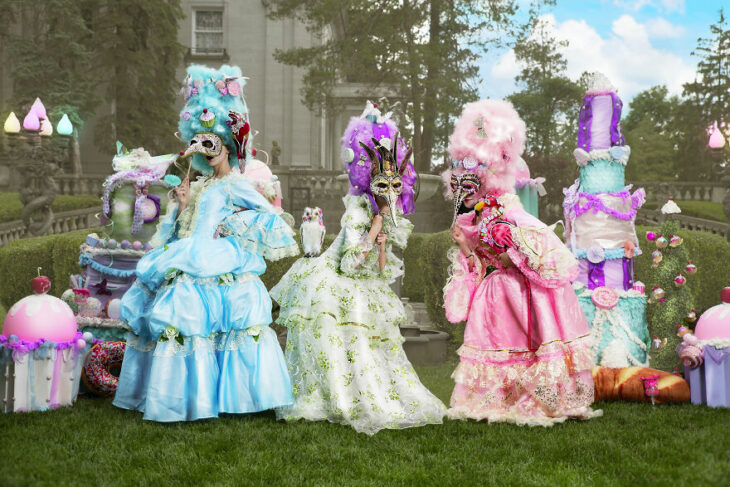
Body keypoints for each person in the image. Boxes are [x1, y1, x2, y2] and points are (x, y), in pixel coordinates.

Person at [113, 65, 298, 422]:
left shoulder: (237, 184)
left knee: (206, 320)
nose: (206, 151)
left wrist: (230, 227)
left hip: (215, 258)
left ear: (227, 147)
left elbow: (271, 215)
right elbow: (189, 226)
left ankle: (233, 397)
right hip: (190, 251)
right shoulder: (201, 185)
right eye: (200, 143)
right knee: (181, 320)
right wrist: (183, 203)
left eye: (212, 144)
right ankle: (181, 398)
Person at [270, 103, 446, 435]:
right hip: (336, 280)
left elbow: (380, 270)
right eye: (383, 186)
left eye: (396, 187)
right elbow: (350, 264)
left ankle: (371, 390)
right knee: (343, 322)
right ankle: (340, 395)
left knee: (379, 337)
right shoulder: (357, 214)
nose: (390, 195)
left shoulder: (385, 218)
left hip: (365, 280)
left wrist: (381, 240)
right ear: (370, 183)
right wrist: (376, 227)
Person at [442, 99, 601, 426]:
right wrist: (466, 245)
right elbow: (478, 265)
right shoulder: (478, 218)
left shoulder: (510, 210)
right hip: (494, 298)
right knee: (493, 345)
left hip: (521, 294)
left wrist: (512, 255)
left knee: (526, 344)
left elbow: (543, 246)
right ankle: (495, 399)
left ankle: (536, 397)